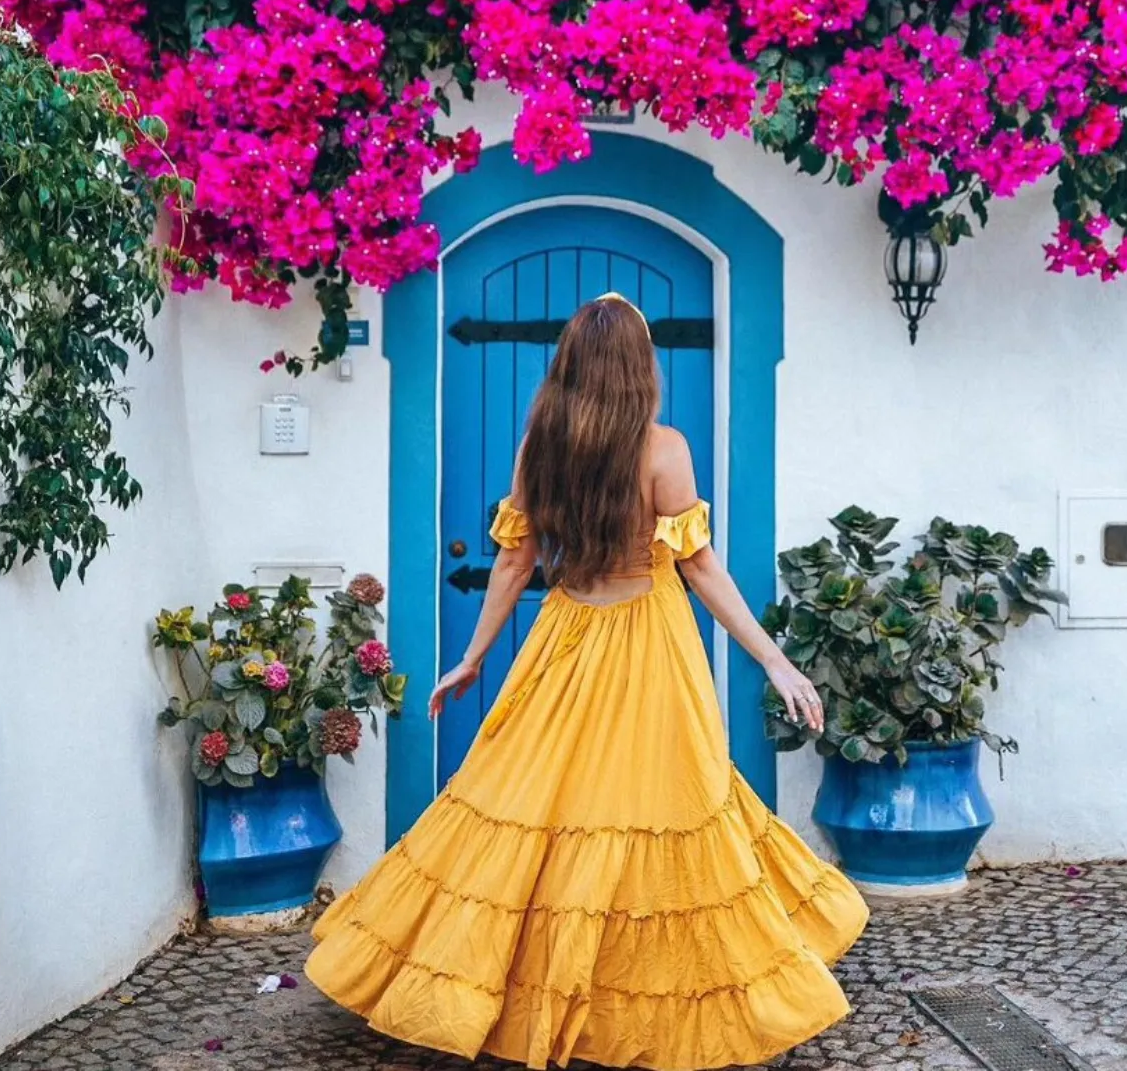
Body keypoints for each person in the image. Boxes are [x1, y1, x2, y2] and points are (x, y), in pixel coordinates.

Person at [306, 293, 868, 1069]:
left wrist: (474, 656)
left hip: (566, 637)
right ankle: (641, 1003)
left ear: (568, 359)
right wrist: (773, 657)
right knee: (668, 805)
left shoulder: (542, 440)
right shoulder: (664, 448)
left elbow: (514, 559)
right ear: (640, 367)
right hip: (653, 644)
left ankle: (517, 987)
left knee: (529, 802)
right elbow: (700, 567)